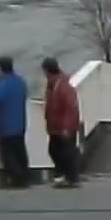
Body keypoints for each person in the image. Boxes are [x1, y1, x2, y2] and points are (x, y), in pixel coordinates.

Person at [0, 56, 30, 188]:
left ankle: (17, 180)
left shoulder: (4, 84)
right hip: (20, 124)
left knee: (8, 155)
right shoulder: (20, 82)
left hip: (6, 125)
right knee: (20, 152)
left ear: (0, 68)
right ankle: (25, 177)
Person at [41, 57, 82, 188]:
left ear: (47, 71)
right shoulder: (53, 85)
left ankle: (70, 177)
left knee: (65, 152)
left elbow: (71, 108)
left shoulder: (62, 86)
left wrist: (66, 127)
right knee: (55, 150)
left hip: (63, 127)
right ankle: (64, 176)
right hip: (55, 126)